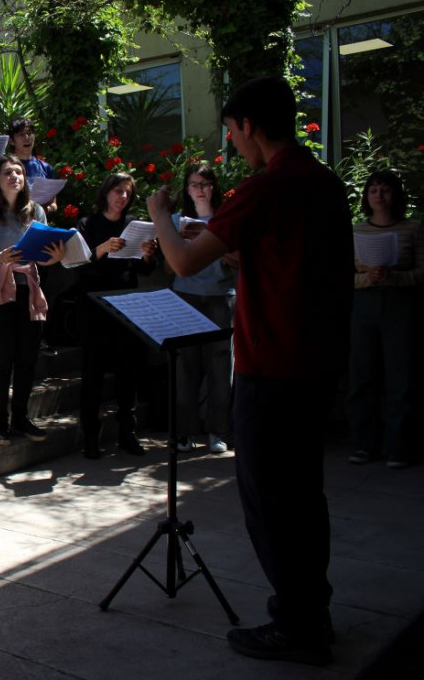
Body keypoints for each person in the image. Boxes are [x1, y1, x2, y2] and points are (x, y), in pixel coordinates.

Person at [147, 75, 352, 666]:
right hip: (314, 362)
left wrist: (162, 214)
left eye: (233, 131)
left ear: (252, 128)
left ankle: (297, 624)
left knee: (270, 497)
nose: (232, 143)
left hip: (273, 364)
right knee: (303, 495)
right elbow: (290, 258)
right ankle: (312, 608)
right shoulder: (324, 182)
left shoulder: (267, 187)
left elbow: (184, 263)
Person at [0, 155, 64, 445]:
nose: (14, 176)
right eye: (7, 172)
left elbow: (45, 256)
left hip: (29, 287)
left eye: (19, 172)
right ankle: (0, 424)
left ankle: (22, 417)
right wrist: (2, 257)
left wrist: (56, 258)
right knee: (3, 359)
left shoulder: (35, 210)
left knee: (28, 358)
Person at [76, 173, 157, 459]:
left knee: (128, 371)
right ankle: (90, 436)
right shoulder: (88, 224)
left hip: (126, 304)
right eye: (118, 191)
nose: (123, 197)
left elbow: (145, 270)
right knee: (93, 374)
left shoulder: (134, 225)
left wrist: (147, 254)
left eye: (127, 192)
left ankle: (127, 433)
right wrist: (103, 249)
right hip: (95, 306)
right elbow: (78, 264)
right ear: (106, 191)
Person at [346, 170, 421, 469]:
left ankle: (398, 446)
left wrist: (396, 276)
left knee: (399, 374)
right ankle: (364, 444)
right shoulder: (356, 231)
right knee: (362, 373)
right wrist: (368, 278)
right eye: (374, 190)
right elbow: (345, 276)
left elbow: (422, 272)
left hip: (399, 302)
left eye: (385, 190)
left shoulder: (413, 228)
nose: (379, 195)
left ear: (395, 194)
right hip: (364, 302)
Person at [168, 164, 235, 455]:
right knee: (185, 365)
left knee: (221, 365)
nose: (200, 189)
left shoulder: (226, 218)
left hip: (221, 296)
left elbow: (238, 258)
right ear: (187, 189)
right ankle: (183, 432)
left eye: (205, 184)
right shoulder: (175, 220)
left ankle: (217, 431)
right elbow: (170, 264)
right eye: (194, 184)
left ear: (213, 187)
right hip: (186, 294)